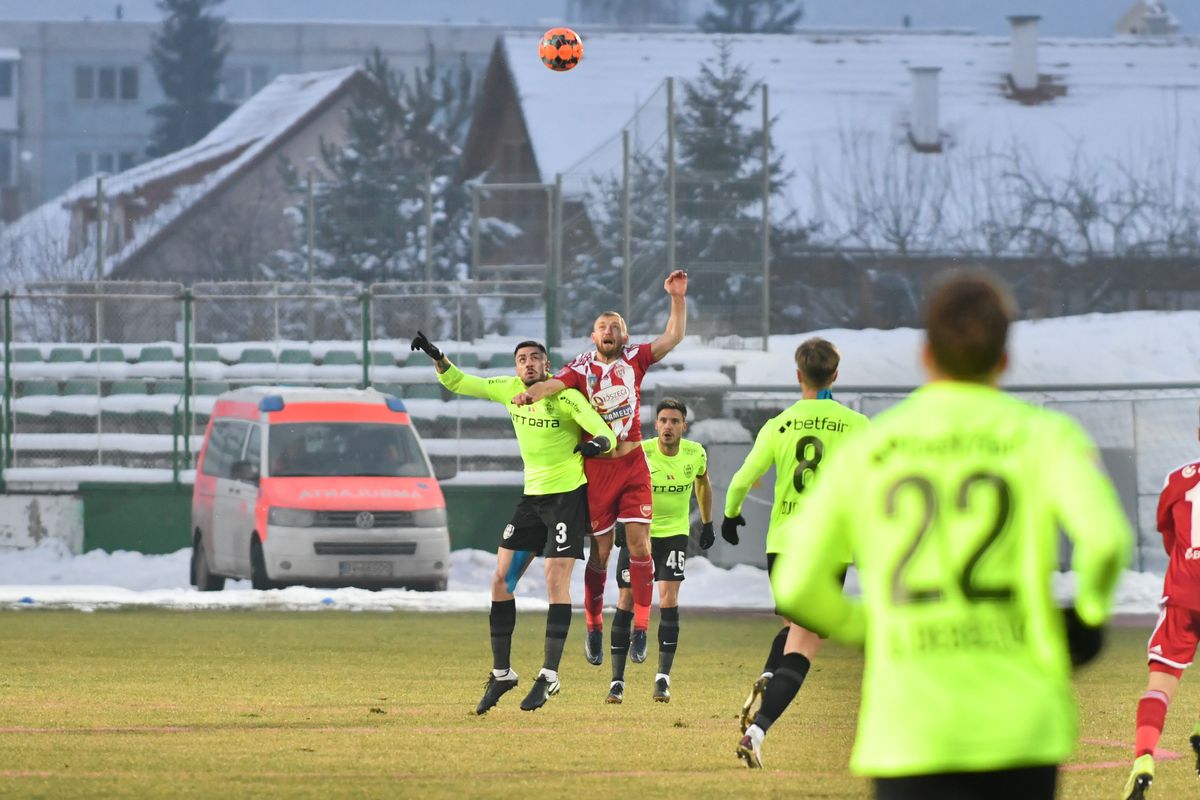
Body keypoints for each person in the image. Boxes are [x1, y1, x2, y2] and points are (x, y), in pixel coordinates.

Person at [768, 271, 1132, 799]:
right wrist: (1090, 616)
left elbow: (798, 586)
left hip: (910, 730)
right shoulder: (1046, 437)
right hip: (1021, 725)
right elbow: (1107, 540)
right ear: (1005, 357)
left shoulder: (874, 449)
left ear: (927, 356)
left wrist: (867, 626)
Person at [411, 332, 614, 714]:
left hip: (567, 498)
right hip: (531, 500)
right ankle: (502, 672)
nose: (528, 364)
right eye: (522, 359)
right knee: (501, 581)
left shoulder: (566, 397)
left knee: (556, 579)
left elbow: (604, 432)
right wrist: (436, 356)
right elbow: (458, 381)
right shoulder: (507, 390)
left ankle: (550, 675)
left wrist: (595, 445)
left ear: (547, 366)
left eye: (535, 358)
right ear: (516, 367)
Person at [513, 270, 688, 682]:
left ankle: (641, 627)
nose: (609, 331)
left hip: (633, 466)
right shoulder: (580, 368)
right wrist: (528, 393)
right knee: (602, 553)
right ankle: (593, 625)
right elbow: (551, 385)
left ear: (625, 336)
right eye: (602, 327)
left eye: (616, 326)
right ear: (593, 337)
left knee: (640, 545)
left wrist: (677, 298)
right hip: (596, 471)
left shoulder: (636, 359)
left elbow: (672, 337)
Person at [721, 337, 869, 767]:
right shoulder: (857, 425)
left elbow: (740, 479)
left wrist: (730, 516)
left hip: (783, 548)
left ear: (798, 375)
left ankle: (770, 674)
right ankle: (757, 731)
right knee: (806, 645)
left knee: (796, 629)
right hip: (827, 548)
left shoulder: (780, 424)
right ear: (836, 376)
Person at [608, 398, 713, 704]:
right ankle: (617, 682)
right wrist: (619, 523)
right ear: (656, 425)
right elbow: (618, 485)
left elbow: (703, 484)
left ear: (684, 426)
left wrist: (707, 523)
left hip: (674, 537)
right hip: (640, 534)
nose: (668, 426)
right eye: (663, 420)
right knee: (626, 599)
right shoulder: (642, 451)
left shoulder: (695, 453)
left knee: (669, 598)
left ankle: (662, 680)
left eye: (674, 421)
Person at [1121, 426, 1200, 800]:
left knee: (1162, 682)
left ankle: (1143, 760)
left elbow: (1169, 538)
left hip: (1183, 595)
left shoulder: (1177, 480)